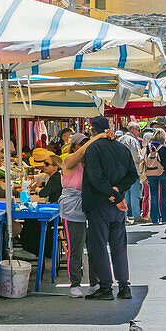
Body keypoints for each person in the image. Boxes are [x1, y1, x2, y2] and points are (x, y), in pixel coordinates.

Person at [81, 115, 138, 300]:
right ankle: (124, 286)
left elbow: (96, 179)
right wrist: (119, 192)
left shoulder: (93, 149)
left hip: (99, 203)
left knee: (98, 245)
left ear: (93, 130)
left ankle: (106, 287)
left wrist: (114, 194)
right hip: (116, 205)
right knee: (119, 245)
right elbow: (132, 175)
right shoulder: (122, 148)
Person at [60, 132, 101, 297]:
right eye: (81, 143)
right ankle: (74, 284)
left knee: (94, 247)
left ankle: (94, 282)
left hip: (89, 204)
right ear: (75, 146)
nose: (85, 146)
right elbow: (80, 154)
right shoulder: (69, 159)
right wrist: (96, 138)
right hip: (72, 207)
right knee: (75, 248)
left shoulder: (90, 162)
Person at [117, 122, 143, 224]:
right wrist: (143, 158)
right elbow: (136, 157)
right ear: (132, 130)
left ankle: (124, 216)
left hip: (121, 171)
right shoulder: (132, 140)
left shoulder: (120, 140)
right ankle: (136, 216)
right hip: (132, 171)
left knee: (125, 195)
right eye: (138, 130)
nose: (139, 132)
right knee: (134, 194)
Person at [146, 129, 166, 224]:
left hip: (151, 172)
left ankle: (154, 218)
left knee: (154, 195)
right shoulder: (164, 147)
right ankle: (165, 218)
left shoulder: (148, 147)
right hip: (163, 171)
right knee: (165, 195)